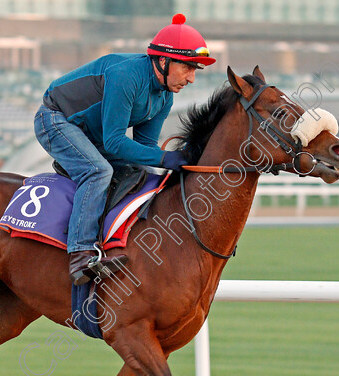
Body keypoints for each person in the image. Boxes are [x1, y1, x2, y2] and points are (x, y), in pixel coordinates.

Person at [34, 13, 216, 286]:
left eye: (195, 70)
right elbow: (115, 143)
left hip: (92, 135)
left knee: (142, 171)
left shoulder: (164, 95)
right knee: (97, 171)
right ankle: (80, 255)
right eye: (188, 67)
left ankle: (119, 241)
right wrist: (167, 158)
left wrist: (167, 161)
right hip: (56, 119)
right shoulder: (127, 76)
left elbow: (144, 148)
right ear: (164, 61)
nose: (191, 78)